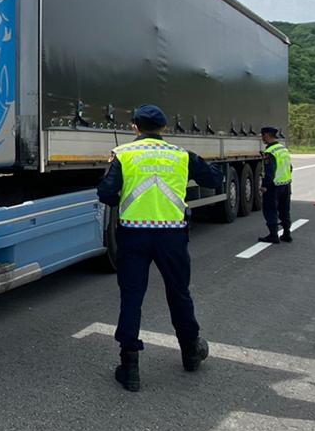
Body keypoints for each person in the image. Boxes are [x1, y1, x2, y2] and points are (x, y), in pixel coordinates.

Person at [96, 105, 223, 392]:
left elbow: (105, 194)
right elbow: (214, 179)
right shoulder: (181, 155)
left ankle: (129, 368)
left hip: (132, 236)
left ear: (134, 128)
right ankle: (191, 351)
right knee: (179, 293)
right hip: (172, 236)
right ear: (164, 129)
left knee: (132, 298)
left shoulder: (124, 155)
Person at [257, 126, 293, 244]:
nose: (262, 138)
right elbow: (290, 167)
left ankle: (273, 235)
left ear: (267, 135)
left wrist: (264, 185)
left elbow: (269, 172)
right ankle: (287, 233)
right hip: (286, 184)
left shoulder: (269, 152)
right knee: (284, 209)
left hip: (274, 186)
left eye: (263, 135)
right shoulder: (283, 149)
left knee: (270, 209)